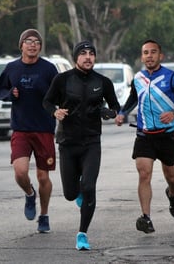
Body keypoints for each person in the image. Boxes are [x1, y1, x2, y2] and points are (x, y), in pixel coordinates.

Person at [42, 41, 120, 250]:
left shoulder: (102, 82)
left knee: (89, 187)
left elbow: (115, 106)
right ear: (76, 57)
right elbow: (47, 102)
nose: (88, 57)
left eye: (91, 54)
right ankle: (77, 193)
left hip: (91, 142)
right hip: (67, 142)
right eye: (83, 54)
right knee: (70, 193)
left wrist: (109, 112)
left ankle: (82, 234)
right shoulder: (62, 80)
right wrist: (55, 112)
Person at [115, 39, 174, 234]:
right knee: (144, 174)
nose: (149, 56)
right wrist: (122, 113)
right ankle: (146, 217)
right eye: (145, 53)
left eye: (153, 52)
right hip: (144, 135)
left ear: (161, 56)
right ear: (142, 57)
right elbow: (133, 99)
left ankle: (172, 193)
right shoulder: (138, 78)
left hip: (166, 136)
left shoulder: (172, 78)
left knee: (171, 177)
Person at [0, 29, 58, 233]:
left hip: (44, 128)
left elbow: (59, 93)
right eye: (28, 41)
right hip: (21, 128)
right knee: (20, 172)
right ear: (21, 45)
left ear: (40, 46)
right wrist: (10, 94)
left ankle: (44, 215)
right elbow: (0, 91)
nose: (33, 45)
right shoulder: (12, 68)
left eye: (37, 42)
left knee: (43, 177)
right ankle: (30, 194)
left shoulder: (48, 69)